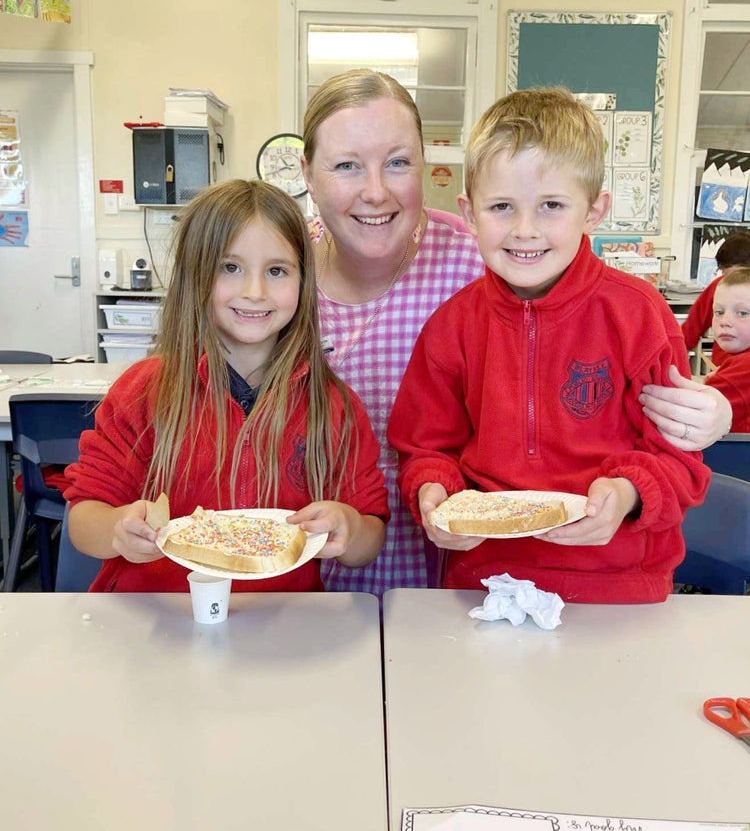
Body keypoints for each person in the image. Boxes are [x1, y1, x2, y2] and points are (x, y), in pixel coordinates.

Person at [301, 69, 729, 597]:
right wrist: (434, 490)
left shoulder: (637, 314)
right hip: (481, 584)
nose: (525, 230)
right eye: (502, 207)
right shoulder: (451, 322)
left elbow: (678, 454)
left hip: (618, 586)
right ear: (471, 214)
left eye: (551, 205)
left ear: (594, 209)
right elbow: (427, 446)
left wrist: (627, 493)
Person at [65, 180, 388, 592]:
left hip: (280, 625)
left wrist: (349, 527)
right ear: (195, 275)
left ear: (303, 281)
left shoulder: (333, 405)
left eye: (276, 271)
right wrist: (117, 530)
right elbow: (83, 519)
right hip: (158, 623)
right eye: (229, 268)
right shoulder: (143, 392)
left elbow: (369, 539)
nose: (254, 292)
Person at [681, 230, 750, 367]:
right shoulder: (718, 286)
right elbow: (689, 332)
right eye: (727, 275)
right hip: (722, 372)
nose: (732, 283)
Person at [705, 267, 750, 431]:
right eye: (719, 312)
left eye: (742, 313)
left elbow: (698, 410)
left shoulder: (744, 366)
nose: (725, 321)